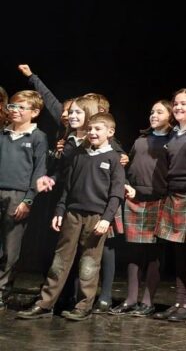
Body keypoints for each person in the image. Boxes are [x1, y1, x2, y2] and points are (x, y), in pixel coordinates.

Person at [17, 112, 125, 321]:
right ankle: (45, 303)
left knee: (89, 263)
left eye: (98, 129)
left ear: (110, 132)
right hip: (72, 214)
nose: (93, 133)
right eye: (91, 129)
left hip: (96, 217)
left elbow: (116, 193)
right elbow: (68, 187)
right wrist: (60, 211)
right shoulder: (79, 154)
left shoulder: (113, 158)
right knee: (60, 260)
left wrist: (106, 219)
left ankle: (84, 305)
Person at [109, 100, 172, 317]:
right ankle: (130, 299)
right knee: (134, 252)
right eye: (152, 111)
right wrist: (126, 184)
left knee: (153, 254)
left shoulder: (173, 141)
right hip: (135, 199)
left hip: (158, 200)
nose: (153, 115)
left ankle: (148, 301)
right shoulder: (140, 140)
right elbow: (129, 166)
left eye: (159, 112)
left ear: (171, 116)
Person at [153, 88, 186, 322]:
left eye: (184, 104)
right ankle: (180, 300)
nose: (178, 108)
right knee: (178, 250)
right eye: (176, 104)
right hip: (172, 195)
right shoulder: (172, 133)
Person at [0, 90, 48, 309]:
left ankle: (3, 291)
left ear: (35, 112)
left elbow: (39, 171)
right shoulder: (3, 133)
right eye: (12, 106)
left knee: (10, 249)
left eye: (21, 107)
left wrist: (28, 200)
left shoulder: (38, 137)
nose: (15, 111)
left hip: (17, 196)